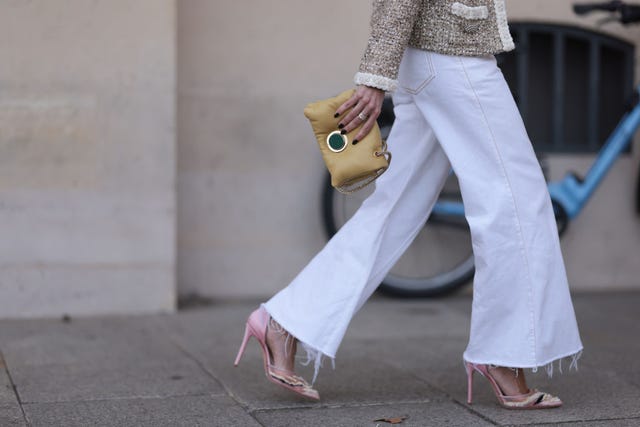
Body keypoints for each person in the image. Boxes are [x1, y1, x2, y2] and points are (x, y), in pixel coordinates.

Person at [234, 0, 583, 409]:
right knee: (517, 204)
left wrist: (383, 70)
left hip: (431, 57)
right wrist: (374, 75)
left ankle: (286, 322)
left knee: (393, 210)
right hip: (455, 57)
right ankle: (504, 355)